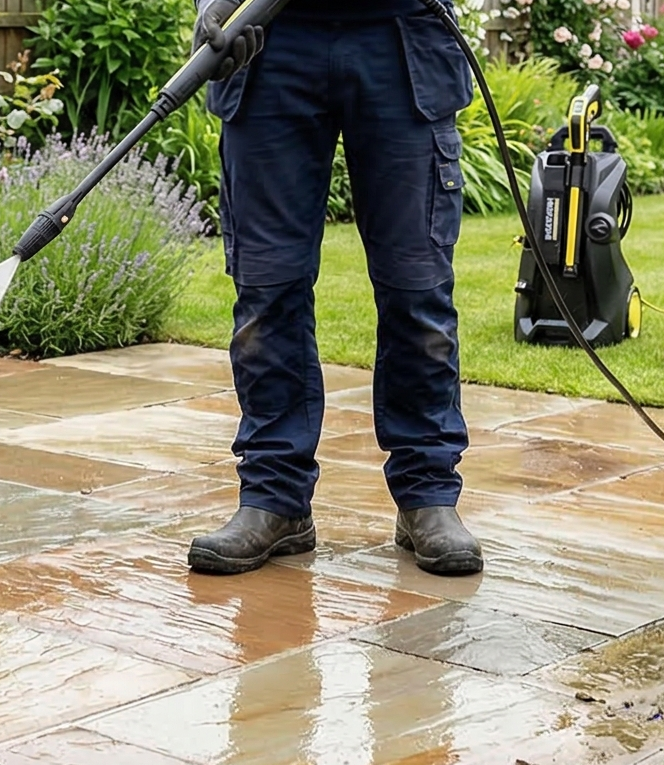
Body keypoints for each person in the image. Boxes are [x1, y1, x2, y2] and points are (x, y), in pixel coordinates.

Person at [182, 0, 486, 577]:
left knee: (415, 287)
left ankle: (428, 497)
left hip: (402, 37)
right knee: (267, 291)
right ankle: (275, 500)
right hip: (271, 39)